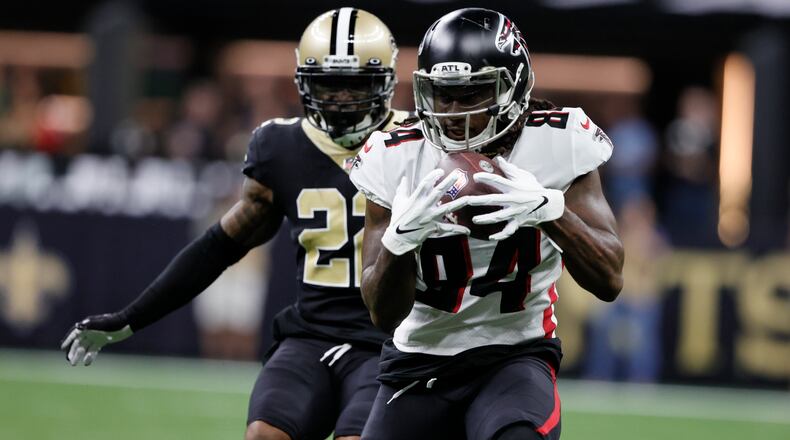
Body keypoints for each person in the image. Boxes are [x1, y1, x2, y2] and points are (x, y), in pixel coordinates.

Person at [60, 8, 408, 440]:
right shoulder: (281, 147)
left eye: (353, 84)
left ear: (386, 82)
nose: (339, 98)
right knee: (264, 434)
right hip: (310, 336)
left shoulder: (415, 144)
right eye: (327, 84)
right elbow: (216, 248)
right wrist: (130, 318)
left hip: (392, 342)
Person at [349, 8, 624, 440]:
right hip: (420, 358)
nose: (454, 113)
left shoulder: (558, 141)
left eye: (472, 94)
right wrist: (399, 243)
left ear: (514, 88)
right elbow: (383, 315)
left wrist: (552, 213)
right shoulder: (394, 155)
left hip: (515, 354)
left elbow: (610, 279)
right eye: (443, 95)